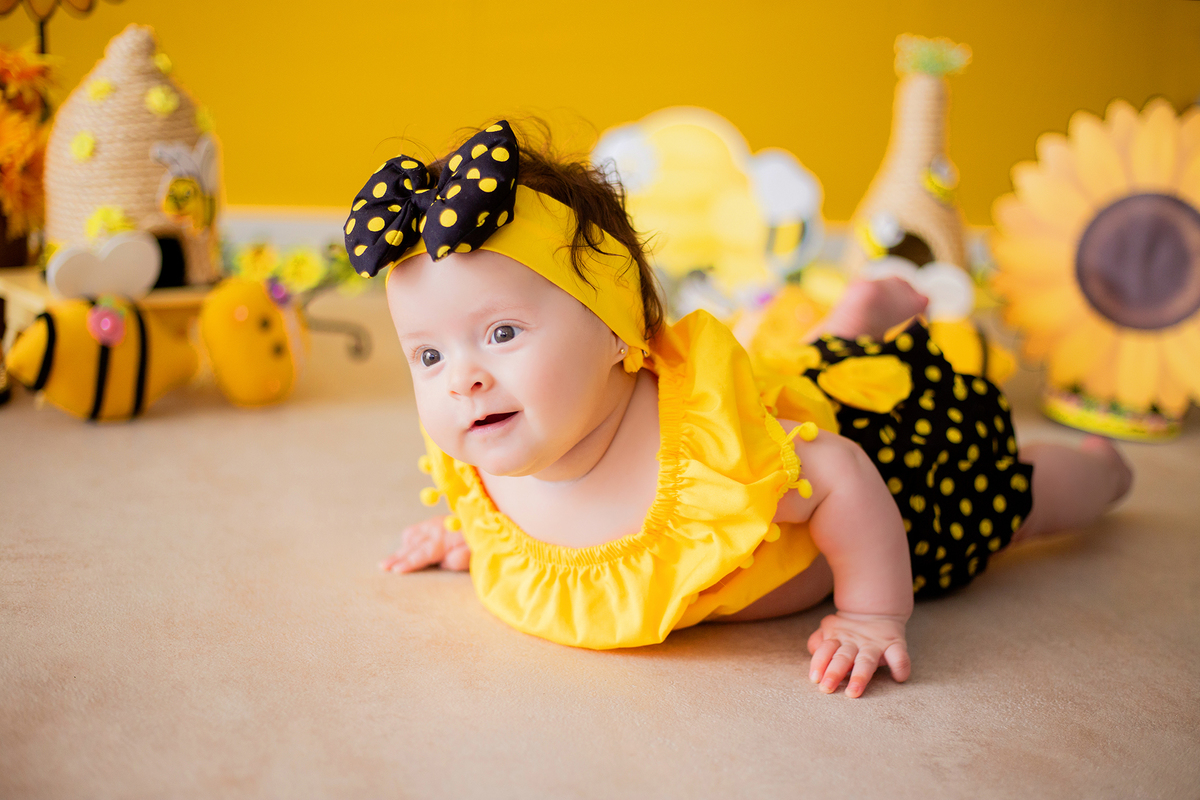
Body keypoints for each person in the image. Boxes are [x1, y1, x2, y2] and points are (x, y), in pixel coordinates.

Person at [348, 121, 1132, 698]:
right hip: (789, 400)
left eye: (502, 333)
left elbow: (837, 470)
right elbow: (500, 497)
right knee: (796, 363)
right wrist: (472, 532)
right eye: (429, 354)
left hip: (888, 467)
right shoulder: (488, 443)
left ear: (617, 332)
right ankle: (850, 317)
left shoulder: (707, 451)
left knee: (1007, 505)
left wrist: (870, 611)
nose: (463, 381)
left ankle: (1100, 468)